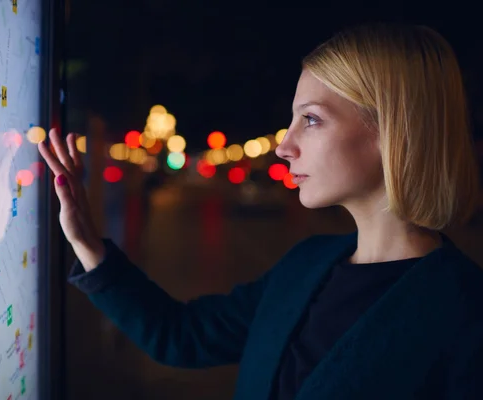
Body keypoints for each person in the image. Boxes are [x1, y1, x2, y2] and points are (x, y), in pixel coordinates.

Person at [38, 23, 483, 400]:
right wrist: (87, 242)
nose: (284, 147)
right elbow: (181, 336)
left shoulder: (464, 314)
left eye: (310, 119)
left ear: (394, 129)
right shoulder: (307, 264)